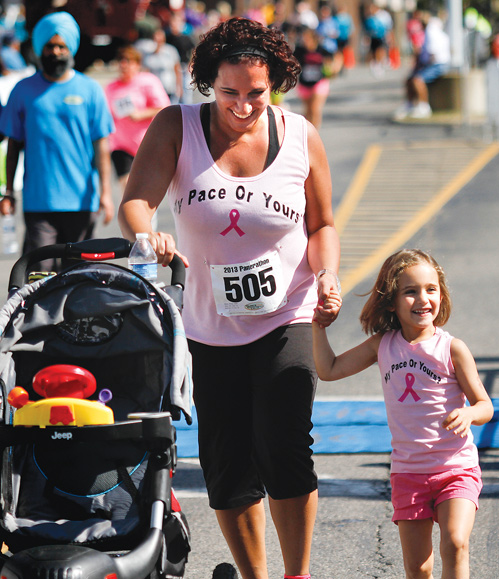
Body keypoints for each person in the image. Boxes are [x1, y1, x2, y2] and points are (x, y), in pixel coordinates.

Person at [118, 17, 341, 579]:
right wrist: (149, 235)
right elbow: (135, 204)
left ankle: (297, 574)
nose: (243, 107)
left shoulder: (300, 136)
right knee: (226, 461)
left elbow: (322, 226)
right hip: (206, 323)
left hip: (285, 311)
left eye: (256, 95)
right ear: (207, 85)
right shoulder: (177, 126)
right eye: (229, 94)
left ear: (276, 85)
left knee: (285, 442)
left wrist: (329, 275)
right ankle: (254, 575)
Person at [312, 249, 494, 579]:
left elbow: (485, 405)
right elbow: (329, 369)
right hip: (409, 474)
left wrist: (468, 415)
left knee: (455, 543)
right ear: (391, 301)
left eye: (431, 289)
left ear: (441, 294)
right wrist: (318, 326)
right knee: (418, 567)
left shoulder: (452, 349)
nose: (423, 299)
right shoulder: (383, 345)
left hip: (455, 467)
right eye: (410, 291)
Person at [0, 11, 114, 272]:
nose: (56, 52)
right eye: (50, 46)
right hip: (38, 201)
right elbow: (13, 144)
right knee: (39, 275)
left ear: (70, 48)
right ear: (41, 48)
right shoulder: (23, 90)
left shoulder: (90, 90)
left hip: (82, 201)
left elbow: (102, 145)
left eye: (62, 46)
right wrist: (7, 192)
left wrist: (105, 193)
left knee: (79, 275)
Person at [104, 45, 170, 195]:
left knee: (147, 193)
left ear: (137, 64)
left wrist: (141, 114)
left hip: (146, 145)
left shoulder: (147, 81)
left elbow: (164, 108)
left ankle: (149, 219)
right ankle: (130, 217)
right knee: (128, 191)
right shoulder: (111, 88)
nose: (123, 65)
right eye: (121, 61)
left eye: (128, 61)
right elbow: (106, 116)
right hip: (121, 147)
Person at [393, 11, 450, 120]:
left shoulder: (431, 31)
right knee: (409, 79)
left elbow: (432, 53)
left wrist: (421, 64)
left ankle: (424, 107)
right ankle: (409, 105)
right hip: (434, 62)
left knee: (418, 80)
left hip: (438, 64)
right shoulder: (430, 30)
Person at [294, 26, 338, 130]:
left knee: (315, 109)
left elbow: (336, 56)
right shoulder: (300, 50)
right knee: (308, 111)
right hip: (305, 84)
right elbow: (292, 62)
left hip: (320, 83)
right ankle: (307, 133)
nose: (305, 41)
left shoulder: (321, 49)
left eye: (307, 38)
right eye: (303, 39)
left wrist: (334, 69)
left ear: (313, 39)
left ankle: (315, 133)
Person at [141, 27, 183, 103]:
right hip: (155, 88)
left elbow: (177, 69)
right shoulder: (148, 53)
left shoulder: (170, 50)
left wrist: (179, 86)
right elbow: (145, 71)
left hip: (169, 86)